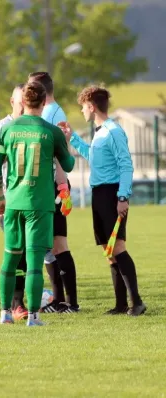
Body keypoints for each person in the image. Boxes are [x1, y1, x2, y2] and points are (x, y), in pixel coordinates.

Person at [0, 81, 75, 326]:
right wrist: (66, 141)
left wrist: (1, 197)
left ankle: (5, 313)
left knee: (10, 259)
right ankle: (34, 317)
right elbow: (68, 166)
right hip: (39, 204)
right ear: (43, 102)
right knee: (35, 262)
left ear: (23, 101)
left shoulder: (6, 129)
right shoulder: (51, 132)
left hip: (14, 202)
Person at [59, 86, 146, 316]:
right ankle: (120, 305)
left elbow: (126, 165)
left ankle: (136, 302)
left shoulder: (113, 131)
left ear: (91, 106)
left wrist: (123, 196)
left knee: (117, 247)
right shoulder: (99, 132)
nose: (81, 110)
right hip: (99, 195)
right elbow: (94, 157)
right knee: (109, 251)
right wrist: (73, 138)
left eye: (83, 106)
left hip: (112, 194)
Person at [27, 72, 79, 313]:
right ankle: (59, 301)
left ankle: (70, 302)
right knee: (50, 247)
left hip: (54, 187)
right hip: (48, 188)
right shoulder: (51, 112)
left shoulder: (51, 114)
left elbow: (62, 154)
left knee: (59, 244)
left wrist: (62, 187)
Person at [0, 84, 29, 321]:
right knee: (17, 251)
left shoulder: (35, 127)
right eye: (20, 99)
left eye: (27, 99)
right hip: (9, 201)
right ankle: (15, 304)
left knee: (31, 251)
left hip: (31, 200)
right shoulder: (1, 129)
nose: (24, 103)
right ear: (11, 101)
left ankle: (27, 301)